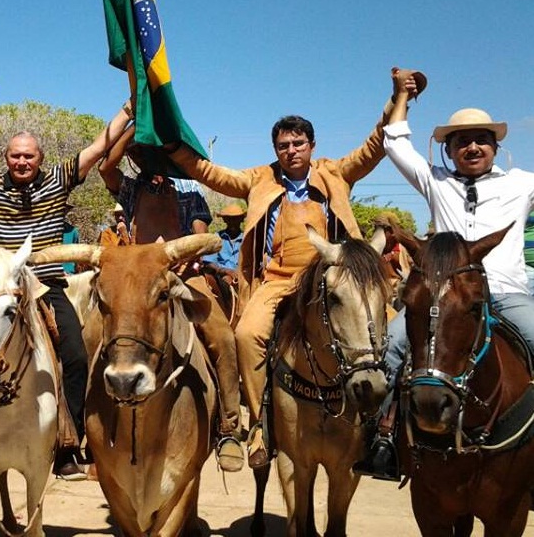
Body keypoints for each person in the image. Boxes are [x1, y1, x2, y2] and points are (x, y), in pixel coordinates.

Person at [166, 68, 424, 468]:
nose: (291, 150)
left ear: (311, 145)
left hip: (334, 275)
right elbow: (209, 173)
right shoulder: (259, 179)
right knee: (246, 334)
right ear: (276, 149)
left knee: (387, 335)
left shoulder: (335, 173)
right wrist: (174, 148)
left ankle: (383, 429)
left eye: (298, 143)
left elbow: (375, 146)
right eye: (283, 145)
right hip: (278, 279)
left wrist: (396, 101)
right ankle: (257, 426)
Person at [0, 99, 134, 480]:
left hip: (45, 283)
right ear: (5, 158)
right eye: (15, 156)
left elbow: (96, 149)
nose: (21, 162)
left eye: (28, 156)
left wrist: (127, 111)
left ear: (40, 158)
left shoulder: (58, 180)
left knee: (75, 355)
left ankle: (66, 444)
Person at [356, 80, 534, 480]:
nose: (472, 148)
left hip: (507, 293)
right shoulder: (437, 181)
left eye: (481, 141)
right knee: (392, 349)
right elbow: (396, 145)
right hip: (445, 296)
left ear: (495, 148)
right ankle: (382, 439)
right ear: (449, 150)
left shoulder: (522, 183)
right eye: (462, 142)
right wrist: (402, 96)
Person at [98, 125, 245, 472]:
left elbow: (200, 233)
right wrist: (135, 123)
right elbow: (106, 168)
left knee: (223, 336)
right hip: (135, 281)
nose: (147, 159)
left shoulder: (188, 193)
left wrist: (191, 252)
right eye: (140, 153)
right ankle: (94, 427)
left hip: (184, 275)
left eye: (156, 153)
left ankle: (229, 425)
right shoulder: (132, 190)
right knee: (92, 331)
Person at [202, 203, 246, 278]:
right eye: (229, 218)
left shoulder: (247, 238)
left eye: (236, 218)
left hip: (243, 277)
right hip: (222, 276)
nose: (232, 222)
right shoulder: (216, 238)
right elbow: (209, 261)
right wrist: (224, 271)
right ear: (224, 220)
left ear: (241, 219)